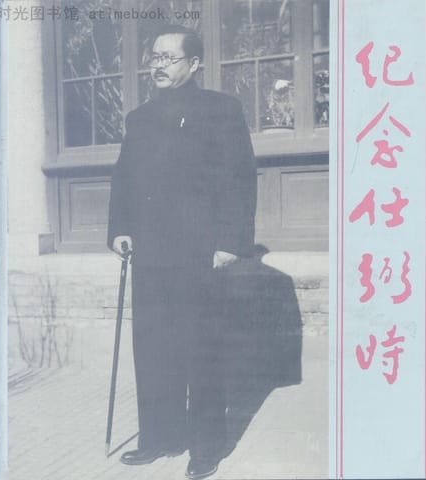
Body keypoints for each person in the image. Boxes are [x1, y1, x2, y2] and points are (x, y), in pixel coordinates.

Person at [107, 24, 257, 480]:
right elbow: (123, 180)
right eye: (155, 57)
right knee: (154, 347)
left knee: (201, 348)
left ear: (194, 64)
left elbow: (240, 179)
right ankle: (160, 437)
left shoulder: (222, 111)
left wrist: (231, 243)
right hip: (152, 253)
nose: (159, 65)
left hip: (201, 253)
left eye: (169, 57)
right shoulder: (139, 119)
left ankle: (207, 446)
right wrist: (120, 230)